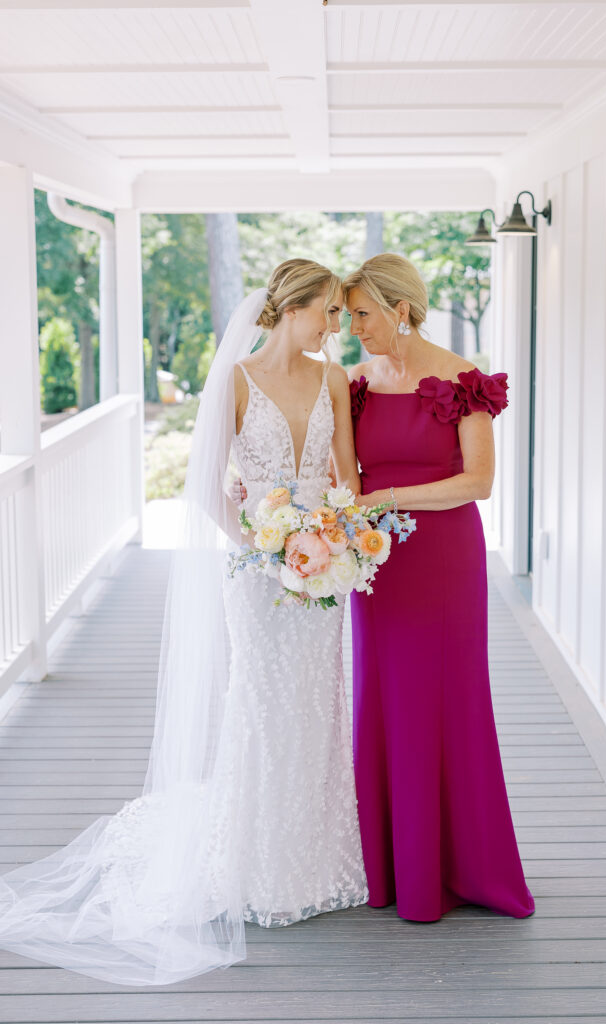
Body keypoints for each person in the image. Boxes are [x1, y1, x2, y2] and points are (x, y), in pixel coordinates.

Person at [0, 259, 367, 986]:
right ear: (289, 309)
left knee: (318, 707)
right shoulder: (232, 382)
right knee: (263, 710)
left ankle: (316, 856)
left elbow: (347, 476)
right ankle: (257, 865)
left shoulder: (331, 381)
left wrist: (332, 544)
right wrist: (267, 551)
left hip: (324, 570)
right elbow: (204, 487)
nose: (335, 326)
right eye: (327, 311)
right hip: (258, 575)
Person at [344, 252, 535, 923]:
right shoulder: (355, 382)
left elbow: (476, 482)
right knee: (381, 700)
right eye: (347, 316)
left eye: (363, 314)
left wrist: (386, 495)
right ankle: (390, 870)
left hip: (444, 563)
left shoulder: (462, 380)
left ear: (399, 308)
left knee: (445, 702)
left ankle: (458, 869)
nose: (354, 328)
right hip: (373, 564)